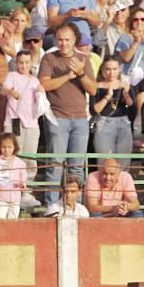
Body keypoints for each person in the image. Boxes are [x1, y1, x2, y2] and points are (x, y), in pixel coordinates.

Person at [39, 22, 97, 206]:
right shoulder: (49, 59)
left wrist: (80, 73)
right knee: (55, 165)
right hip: (58, 117)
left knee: (77, 167)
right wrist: (67, 76)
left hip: (80, 118)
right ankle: (52, 206)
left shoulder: (83, 59)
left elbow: (93, 89)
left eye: (67, 40)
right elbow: (44, 84)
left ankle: (75, 205)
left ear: (75, 40)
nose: (63, 43)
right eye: (60, 39)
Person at [0, 133, 28, 219]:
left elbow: (24, 180)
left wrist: (22, 184)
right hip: (1, 197)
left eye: (9, 147)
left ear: (14, 147)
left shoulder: (20, 163)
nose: (6, 150)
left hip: (15, 198)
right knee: (0, 220)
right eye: (3, 147)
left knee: (13, 221)